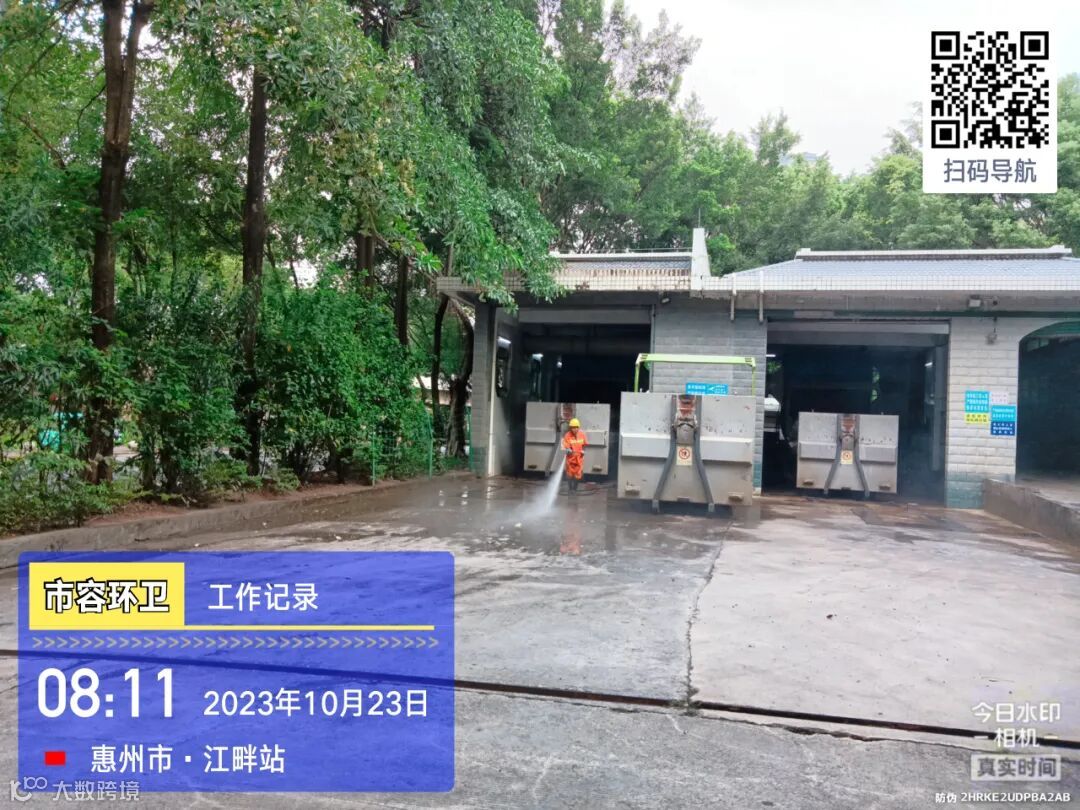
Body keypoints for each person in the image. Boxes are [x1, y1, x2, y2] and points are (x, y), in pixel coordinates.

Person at [561, 417, 588, 493]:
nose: (574, 429)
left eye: (576, 427)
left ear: (578, 427)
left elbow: (585, 444)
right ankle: (570, 489)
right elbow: (564, 445)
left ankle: (575, 489)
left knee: (578, 475)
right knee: (569, 475)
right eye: (573, 427)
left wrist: (583, 450)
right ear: (570, 428)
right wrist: (568, 449)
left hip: (579, 459)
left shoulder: (582, 434)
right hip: (570, 459)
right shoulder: (567, 435)